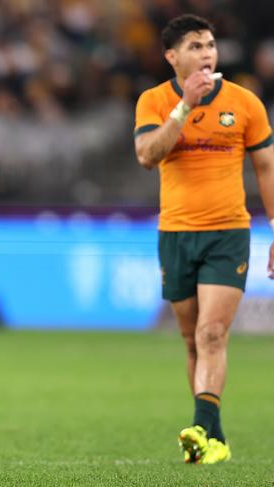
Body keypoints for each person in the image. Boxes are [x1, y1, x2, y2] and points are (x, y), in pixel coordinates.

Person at [134, 14, 274, 464]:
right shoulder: (154, 101)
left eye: (210, 44)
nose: (206, 53)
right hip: (176, 234)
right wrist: (184, 109)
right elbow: (147, 156)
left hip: (228, 232)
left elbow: (267, 167)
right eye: (195, 46)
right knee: (192, 339)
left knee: (213, 333)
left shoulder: (244, 103)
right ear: (171, 56)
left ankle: (198, 428)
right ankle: (214, 438)